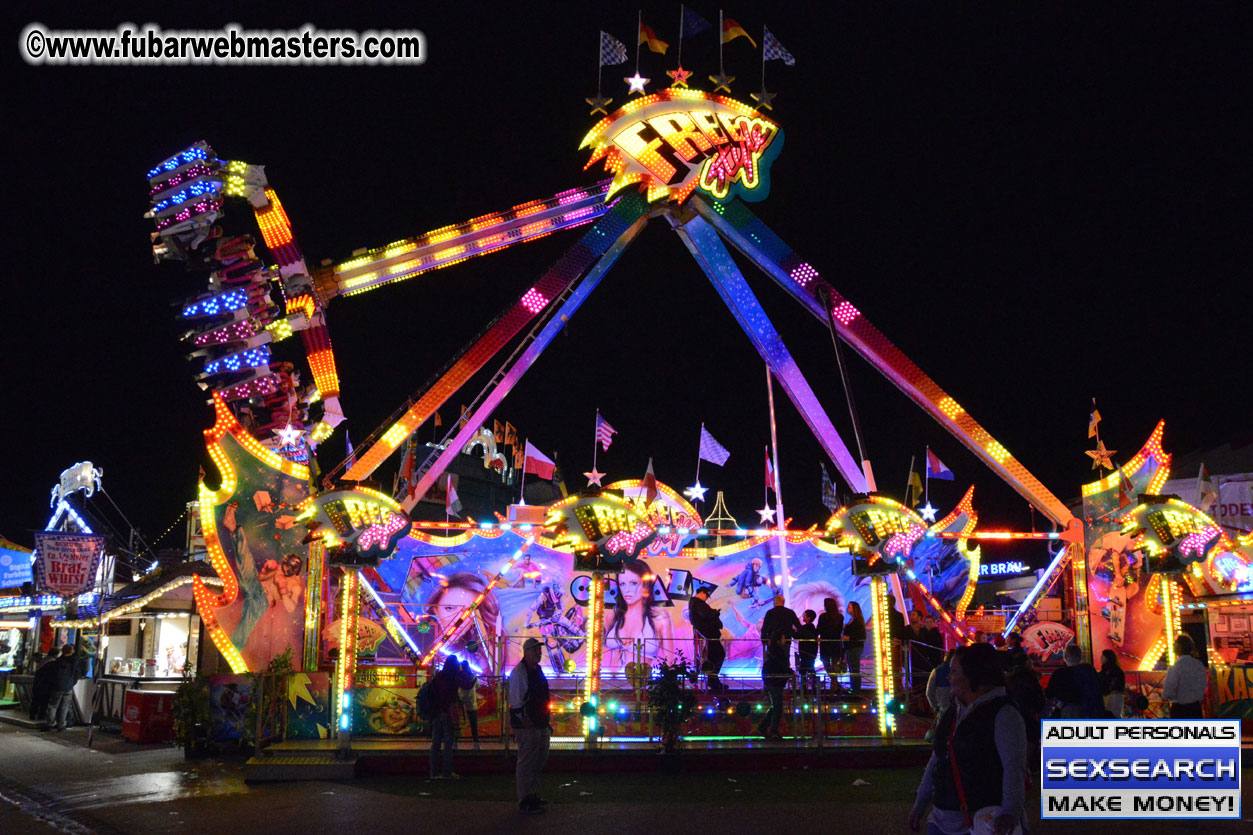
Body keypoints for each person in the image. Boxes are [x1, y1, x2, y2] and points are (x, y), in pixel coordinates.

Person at [910, 643, 1027, 835]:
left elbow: (1014, 768)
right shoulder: (953, 712)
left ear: (973, 676)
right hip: (940, 819)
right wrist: (919, 805)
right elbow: (937, 759)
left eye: (954, 672)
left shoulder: (1004, 715)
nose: (949, 678)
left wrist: (1010, 813)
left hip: (981, 822)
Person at [508, 637, 551, 815]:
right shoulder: (519, 673)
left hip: (540, 722)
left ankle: (531, 793)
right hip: (528, 725)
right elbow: (517, 703)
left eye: (539, 651)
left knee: (538, 760)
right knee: (527, 762)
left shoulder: (536, 670)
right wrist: (528, 725)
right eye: (535, 651)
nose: (538, 654)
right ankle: (524, 798)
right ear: (526, 652)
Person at [426, 573, 502, 674]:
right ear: (435, 610)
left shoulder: (480, 657)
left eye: (468, 611)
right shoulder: (424, 647)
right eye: (449, 608)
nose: (458, 618)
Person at [604, 559, 673, 665]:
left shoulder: (659, 618)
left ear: (645, 584)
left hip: (644, 679)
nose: (627, 590)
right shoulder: (612, 617)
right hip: (612, 679)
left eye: (633, 583)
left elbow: (670, 660)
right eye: (622, 584)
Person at [429, 655, 473, 780]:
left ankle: (433, 772)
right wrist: (461, 670)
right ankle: (447, 773)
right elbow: (468, 684)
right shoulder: (455, 676)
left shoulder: (439, 676)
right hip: (449, 712)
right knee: (448, 744)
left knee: (436, 743)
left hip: (437, 712)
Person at [1045, 645, 1102, 719]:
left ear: (1065, 657)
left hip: (1068, 710)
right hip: (1090, 710)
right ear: (1081, 657)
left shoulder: (1060, 673)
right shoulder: (1089, 671)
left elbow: (1049, 693)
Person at [687, 588, 725, 692]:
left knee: (713, 657)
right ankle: (713, 680)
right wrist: (714, 613)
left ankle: (712, 680)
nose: (706, 598)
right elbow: (706, 615)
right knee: (718, 655)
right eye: (706, 596)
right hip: (708, 636)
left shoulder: (695, 604)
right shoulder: (698, 603)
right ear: (701, 593)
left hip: (707, 635)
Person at [1162, 634, 1208, 719]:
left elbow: (1168, 693)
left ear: (1179, 647)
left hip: (1180, 710)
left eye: (1175, 643)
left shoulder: (1175, 668)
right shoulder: (1199, 665)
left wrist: (1164, 695)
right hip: (1196, 709)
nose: (1173, 646)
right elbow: (1203, 686)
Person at [757, 631, 792, 740]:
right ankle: (773, 730)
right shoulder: (778, 653)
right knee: (778, 707)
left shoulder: (772, 653)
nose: (784, 640)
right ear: (778, 641)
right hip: (775, 682)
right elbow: (781, 666)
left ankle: (763, 727)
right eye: (783, 638)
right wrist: (789, 671)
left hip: (772, 681)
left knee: (775, 707)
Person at [46, 645, 80, 732]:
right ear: (71, 651)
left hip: (57, 687)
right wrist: (72, 683)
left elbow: (51, 675)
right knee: (64, 707)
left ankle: (50, 724)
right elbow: (76, 675)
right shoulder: (74, 662)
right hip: (68, 687)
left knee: (53, 706)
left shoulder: (57, 661)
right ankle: (61, 725)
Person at [816, 597, 845, 688]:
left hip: (826, 642)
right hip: (836, 643)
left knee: (826, 663)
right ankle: (835, 682)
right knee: (835, 663)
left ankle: (834, 681)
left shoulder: (823, 616)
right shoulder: (840, 617)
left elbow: (819, 629)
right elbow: (840, 630)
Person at [843, 601, 867, 693]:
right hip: (850, 647)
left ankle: (856, 689)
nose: (847, 608)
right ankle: (854, 687)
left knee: (854, 668)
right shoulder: (852, 620)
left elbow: (860, 636)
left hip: (855, 647)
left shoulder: (857, 621)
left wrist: (848, 637)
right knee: (852, 668)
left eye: (849, 607)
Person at [458, 658, 481, 750]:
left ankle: (455, 741)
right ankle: (475, 742)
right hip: (472, 703)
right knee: (473, 724)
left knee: (458, 722)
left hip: (461, 702)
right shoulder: (474, 677)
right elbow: (478, 686)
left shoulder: (459, 676)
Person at [795, 610, 820, 696]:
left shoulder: (804, 628)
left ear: (808, 618)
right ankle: (814, 691)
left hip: (805, 653)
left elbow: (796, 636)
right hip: (812, 653)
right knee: (810, 670)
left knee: (803, 672)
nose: (802, 616)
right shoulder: (813, 628)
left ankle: (804, 693)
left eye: (804, 615)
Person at [1098, 649, 1126, 718]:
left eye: (1103, 656)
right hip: (1111, 696)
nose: (1101, 657)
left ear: (1107, 658)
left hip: (1112, 696)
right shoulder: (1116, 670)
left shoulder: (1108, 671)